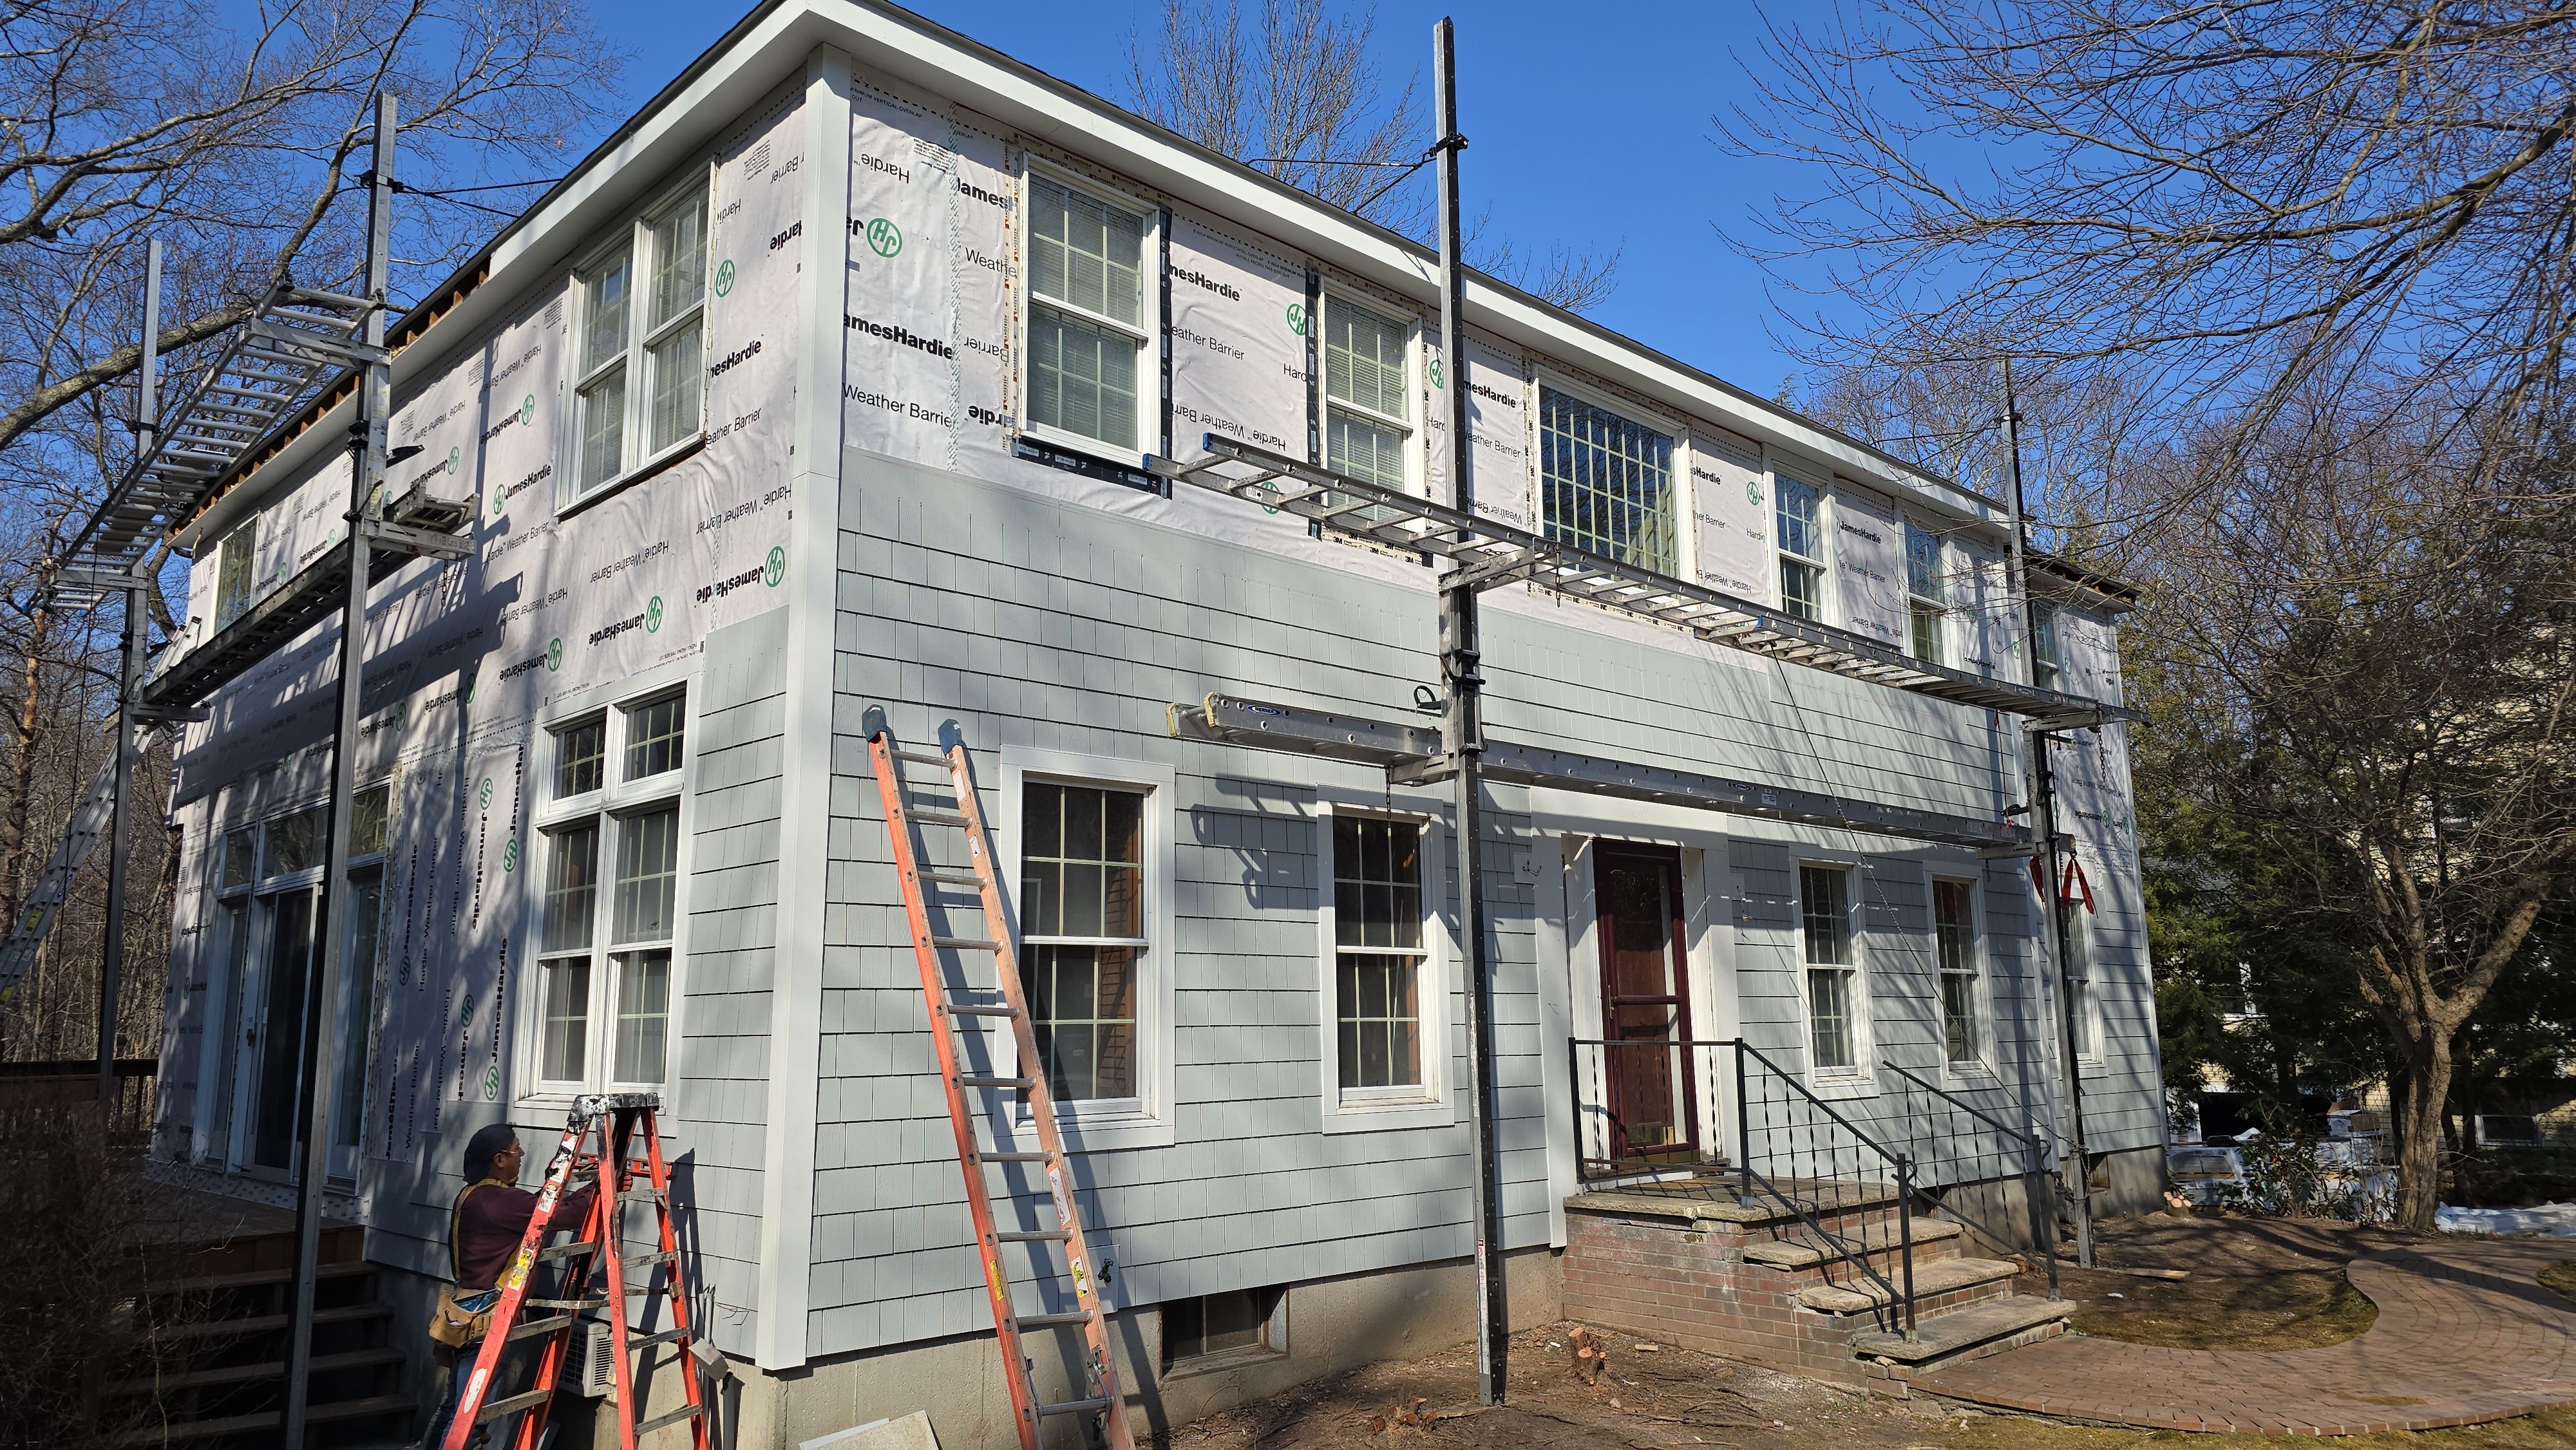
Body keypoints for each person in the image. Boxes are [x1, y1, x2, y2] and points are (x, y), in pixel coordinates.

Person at [418, 1122, 600, 1449]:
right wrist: (599, 1187)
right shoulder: (497, 1201)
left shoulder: (475, 1195)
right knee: (469, 1418)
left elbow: (530, 1209)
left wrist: (558, 1184)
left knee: (453, 1409)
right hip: (486, 1321)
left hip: (464, 1314)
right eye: (517, 1150)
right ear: (499, 1159)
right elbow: (567, 1215)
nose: (522, 1154)